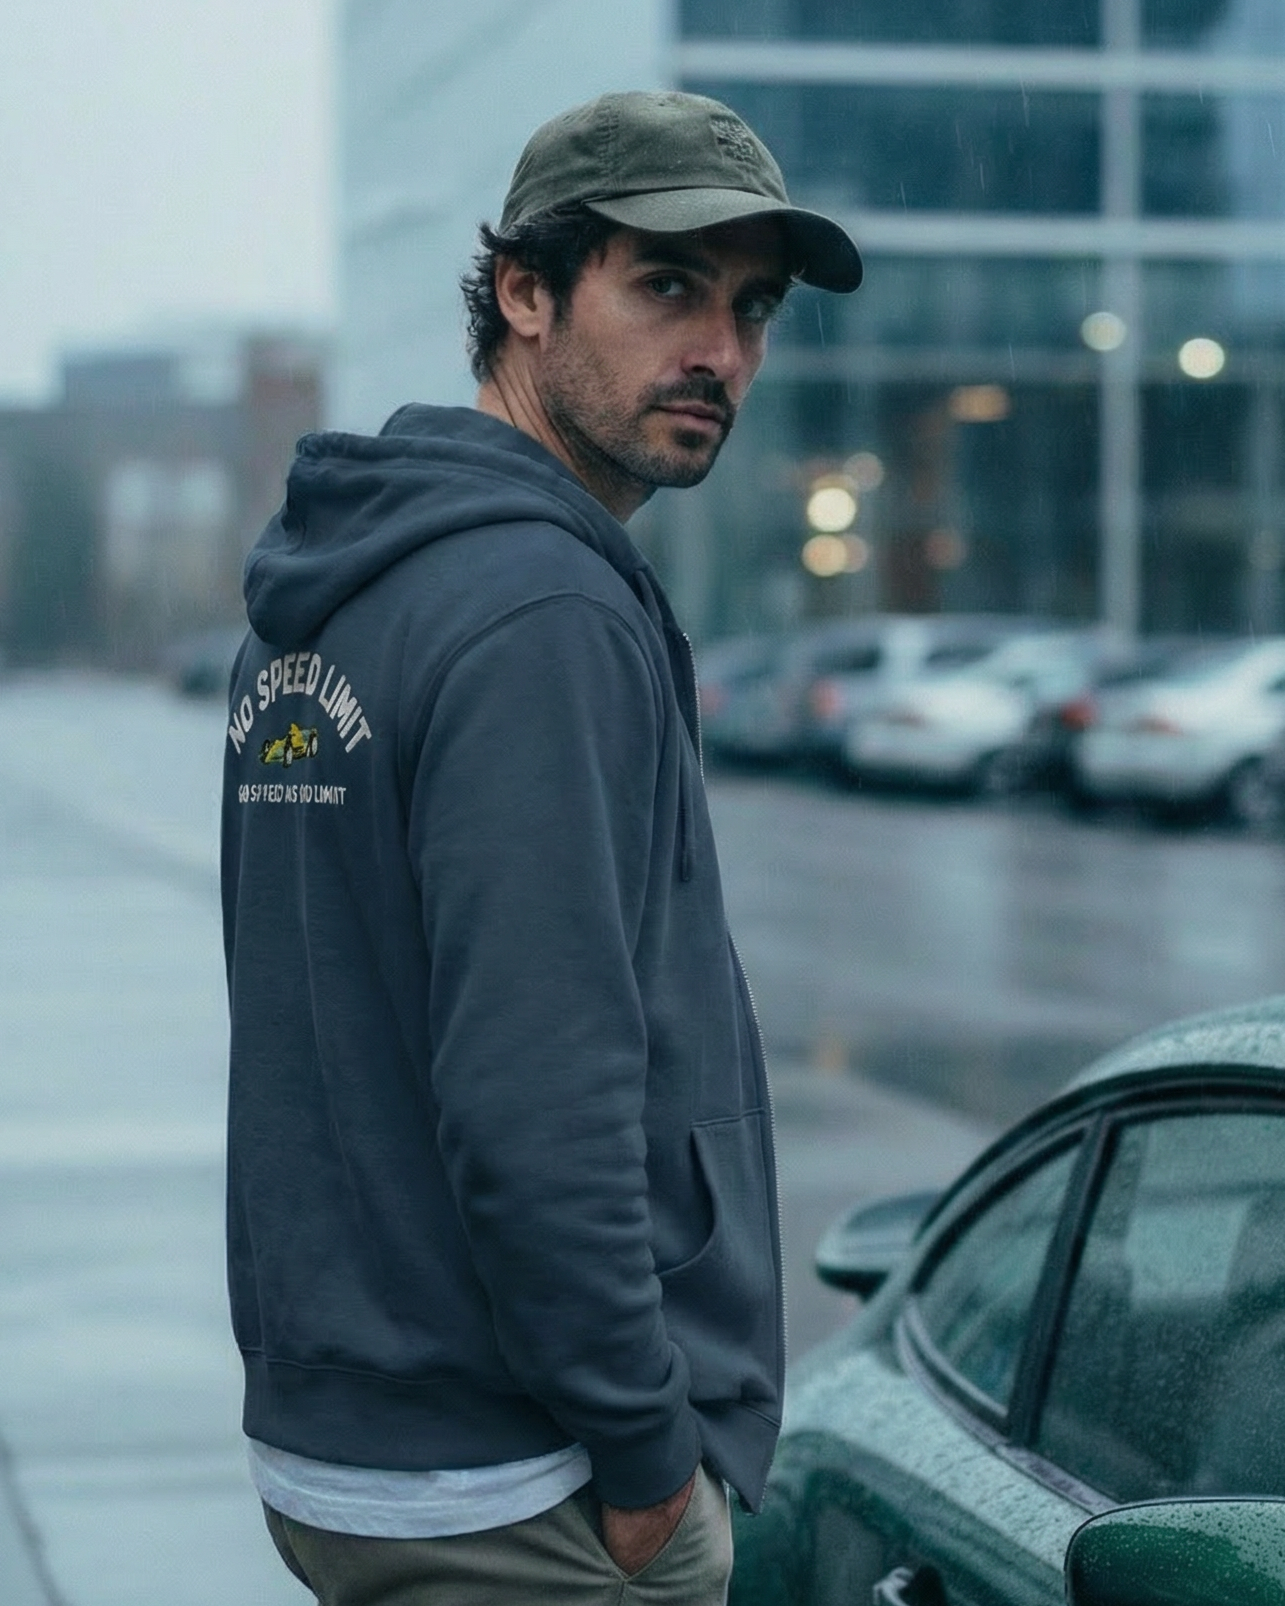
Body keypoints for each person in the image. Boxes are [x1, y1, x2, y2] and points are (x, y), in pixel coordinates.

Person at [221, 88, 862, 1606]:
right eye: (665, 286)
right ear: (522, 291)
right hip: (522, 1484)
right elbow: (537, 1095)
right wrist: (646, 1460)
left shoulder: (347, 595)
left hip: (352, 1426)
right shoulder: (542, 614)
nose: (720, 352)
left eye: (751, 307)